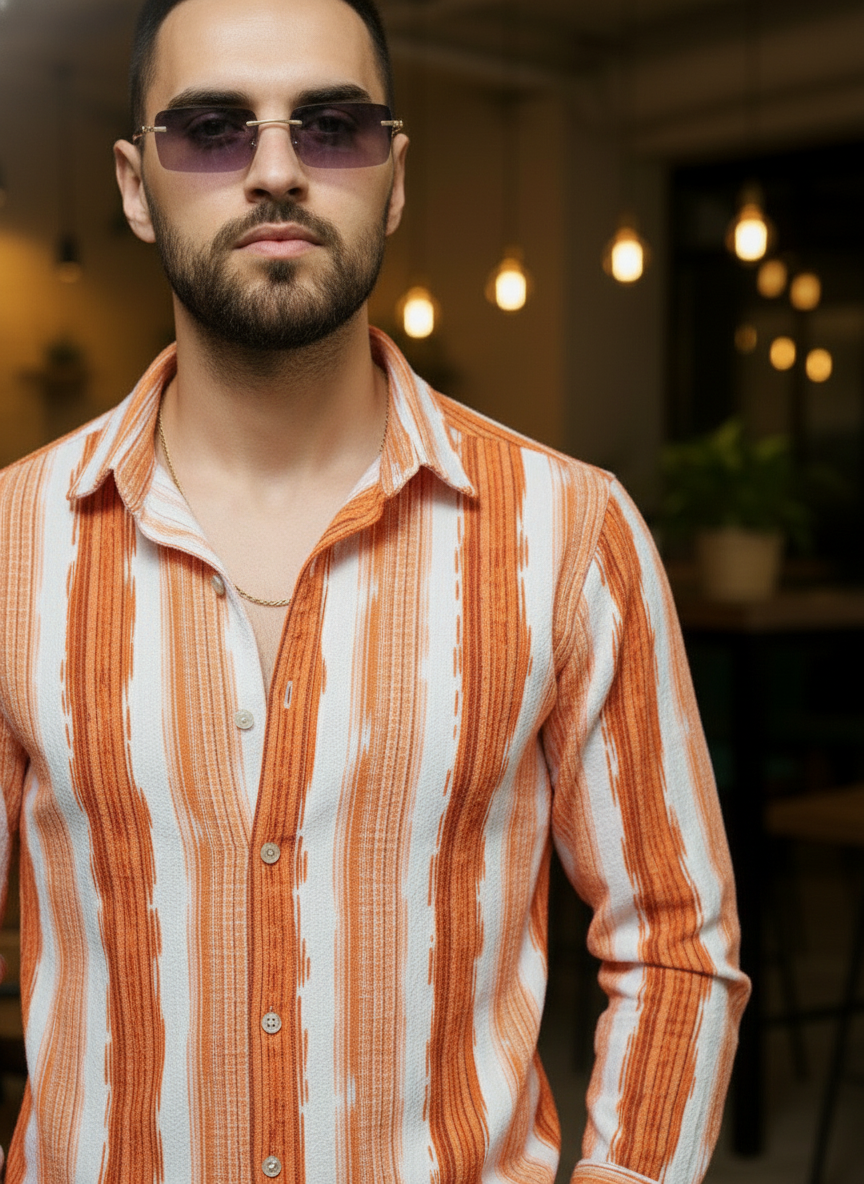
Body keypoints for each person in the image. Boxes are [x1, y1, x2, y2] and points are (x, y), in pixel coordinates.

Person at [0, 0, 749, 1179]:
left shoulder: (571, 532)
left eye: (332, 125)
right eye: (211, 128)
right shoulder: (10, 545)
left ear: (394, 180)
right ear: (135, 186)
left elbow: (675, 943)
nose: (278, 172)